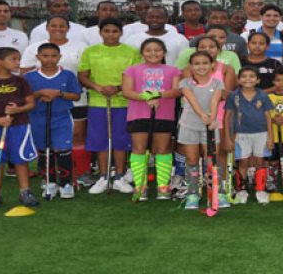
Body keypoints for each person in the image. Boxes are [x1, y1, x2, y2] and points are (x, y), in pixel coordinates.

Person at [20, 15, 92, 185]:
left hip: (74, 98)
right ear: (47, 27)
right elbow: (25, 76)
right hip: (43, 103)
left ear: (68, 28)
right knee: (48, 141)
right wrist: (41, 93)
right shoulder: (33, 48)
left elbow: (85, 73)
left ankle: (80, 173)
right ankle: (50, 176)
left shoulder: (81, 46)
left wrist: (62, 91)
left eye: (62, 26)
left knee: (77, 136)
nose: (58, 29)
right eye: (54, 25)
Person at [78, 17, 141, 194]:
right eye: (107, 31)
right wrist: (98, 87)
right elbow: (83, 75)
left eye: (115, 31)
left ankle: (119, 176)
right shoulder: (91, 51)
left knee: (120, 139)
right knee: (101, 140)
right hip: (98, 102)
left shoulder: (131, 52)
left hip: (123, 101)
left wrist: (119, 88)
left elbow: (136, 76)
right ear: (100, 32)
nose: (111, 35)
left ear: (121, 33)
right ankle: (104, 176)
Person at [121, 38, 182, 201]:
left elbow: (176, 91)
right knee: (139, 148)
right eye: (148, 50)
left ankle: (163, 186)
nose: (153, 53)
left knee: (162, 149)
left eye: (157, 50)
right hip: (139, 114)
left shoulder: (173, 70)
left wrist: (157, 95)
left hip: (164, 115)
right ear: (142, 53)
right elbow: (127, 91)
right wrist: (146, 97)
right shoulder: (132, 70)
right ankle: (140, 186)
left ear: (164, 53)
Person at [0, 47, 38, 210]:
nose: (18, 62)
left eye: (18, 59)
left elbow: (31, 103)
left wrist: (17, 110)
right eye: (13, 59)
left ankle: (25, 191)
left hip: (19, 126)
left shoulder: (20, 81)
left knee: (20, 159)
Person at [23, 43, 82, 199]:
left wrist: (59, 93)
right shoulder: (29, 77)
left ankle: (66, 183)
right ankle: (49, 182)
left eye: (54, 56)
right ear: (38, 57)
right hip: (37, 117)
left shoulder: (68, 75)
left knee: (62, 149)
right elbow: (25, 98)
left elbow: (76, 95)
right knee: (44, 150)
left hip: (61, 117)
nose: (50, 59)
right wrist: (39, 94)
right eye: (45, 56)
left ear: (60, 57)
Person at [176, 51, 225, 210]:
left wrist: (211, 119)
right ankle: (192, 194)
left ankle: (218, 192)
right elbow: (192, 100)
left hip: (210, 125)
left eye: (205, 63)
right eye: (196, 63)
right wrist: (203, 116)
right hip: (189, 125)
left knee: (211, 159)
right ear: (191, 66)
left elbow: (215, 101)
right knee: (191, 159)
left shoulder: (217, 83)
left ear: (212, 65)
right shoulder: (185, 83)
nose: (201, 66)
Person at [225, 65, 274, 205]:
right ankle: (241, 190)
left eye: (252, 76)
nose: (248, 79)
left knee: (260, 161)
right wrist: (228, 137)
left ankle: (261, 190)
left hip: (261, 134)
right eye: (244, 76)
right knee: (243, 162)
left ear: (258, 80)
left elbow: (268, 116)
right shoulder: (233, 96)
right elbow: (227, 116)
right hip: (240, 135)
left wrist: (271, 136)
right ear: (238, 80)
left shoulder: (263, 96)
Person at [123, 6, 189, 66]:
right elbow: (127, 63)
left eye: (159, 17)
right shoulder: (132, 39)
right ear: (146, 18)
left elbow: (185, 64)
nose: (154, 20)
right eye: (151, 17)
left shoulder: (180, 39)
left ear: (167, 19)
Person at [242, 4, 283, 69]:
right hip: (251, 77)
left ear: (280, 18)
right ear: (261, 17)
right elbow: (242, 60)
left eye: (275, 16)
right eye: (268, 15)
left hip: (276, 77)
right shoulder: (246, 35)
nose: (272, 18)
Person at [174, 26, 242, 73]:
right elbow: (177, 72)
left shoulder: (232, 55)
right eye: (213, 36)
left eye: (222, 37)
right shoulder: (189, 52)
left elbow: (236, 76)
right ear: (205, 35)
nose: (217, 39)